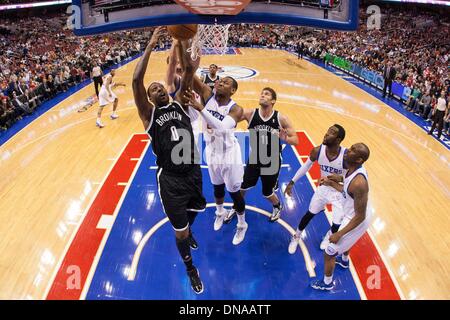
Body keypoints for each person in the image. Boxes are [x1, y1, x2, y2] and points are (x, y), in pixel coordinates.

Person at [132, 27, 206, 294]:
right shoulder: (148, 115)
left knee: (196, 211)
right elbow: (136, 81)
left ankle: (188, 230)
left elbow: (188, 72)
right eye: (153, 90)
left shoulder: (179, 104)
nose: (157, 89)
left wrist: (183, 43)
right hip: (171, 180)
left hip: (193, 171)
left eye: (160, 86)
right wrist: (151, 45)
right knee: (181, 233)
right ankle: (190, 268)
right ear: (149, 99)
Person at [189, 66, 247, 245]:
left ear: (233, 90)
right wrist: (182, 50)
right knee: (217, 188)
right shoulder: (207, 95)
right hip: (212, 151)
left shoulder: (236, 109)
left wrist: (201, 109)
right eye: (221, 81)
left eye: (226, 82)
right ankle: (220, 213)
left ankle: (242, 224)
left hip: (230, 154)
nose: (221, 82)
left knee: (234, 192)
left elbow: (221, 128)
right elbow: (189, 75)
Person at [311, 143, 372, 291]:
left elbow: (360, 216)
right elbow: (345, 189)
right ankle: (344, 261)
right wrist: (332, 182)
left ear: (359, 159)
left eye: (352, 151)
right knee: (344, 243)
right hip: (351, 212)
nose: (347, 151)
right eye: (350, 147)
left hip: (357, 219)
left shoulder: (359, 183)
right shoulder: (351, 169)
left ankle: (327, 283)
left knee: (329, 251)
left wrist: (339, 233)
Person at [232, 87, 298, 223]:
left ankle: (277, 206)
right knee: (243, 186)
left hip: (272, 161)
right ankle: (237, 206)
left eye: (266, 94)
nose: (262, 95)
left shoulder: (281, 118)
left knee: (267, 192)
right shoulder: (250, 114)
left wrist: (285, 138)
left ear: (273, 100)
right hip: (255, 158)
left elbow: (295, 140)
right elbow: (232, 117)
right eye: (261, 93)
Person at [285, 125, 347, 253]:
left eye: (331, 133)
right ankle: (296, 236)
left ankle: (329, 237)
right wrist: (292, 182)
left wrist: (339, 178)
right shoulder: (317, 151)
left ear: (338, 139)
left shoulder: (346, 157)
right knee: (309, 214)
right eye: (327, 130)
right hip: (323, 189)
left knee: (336, 225)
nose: (326, 133)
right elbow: (306, 167)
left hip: (339, 192)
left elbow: (353, 178)